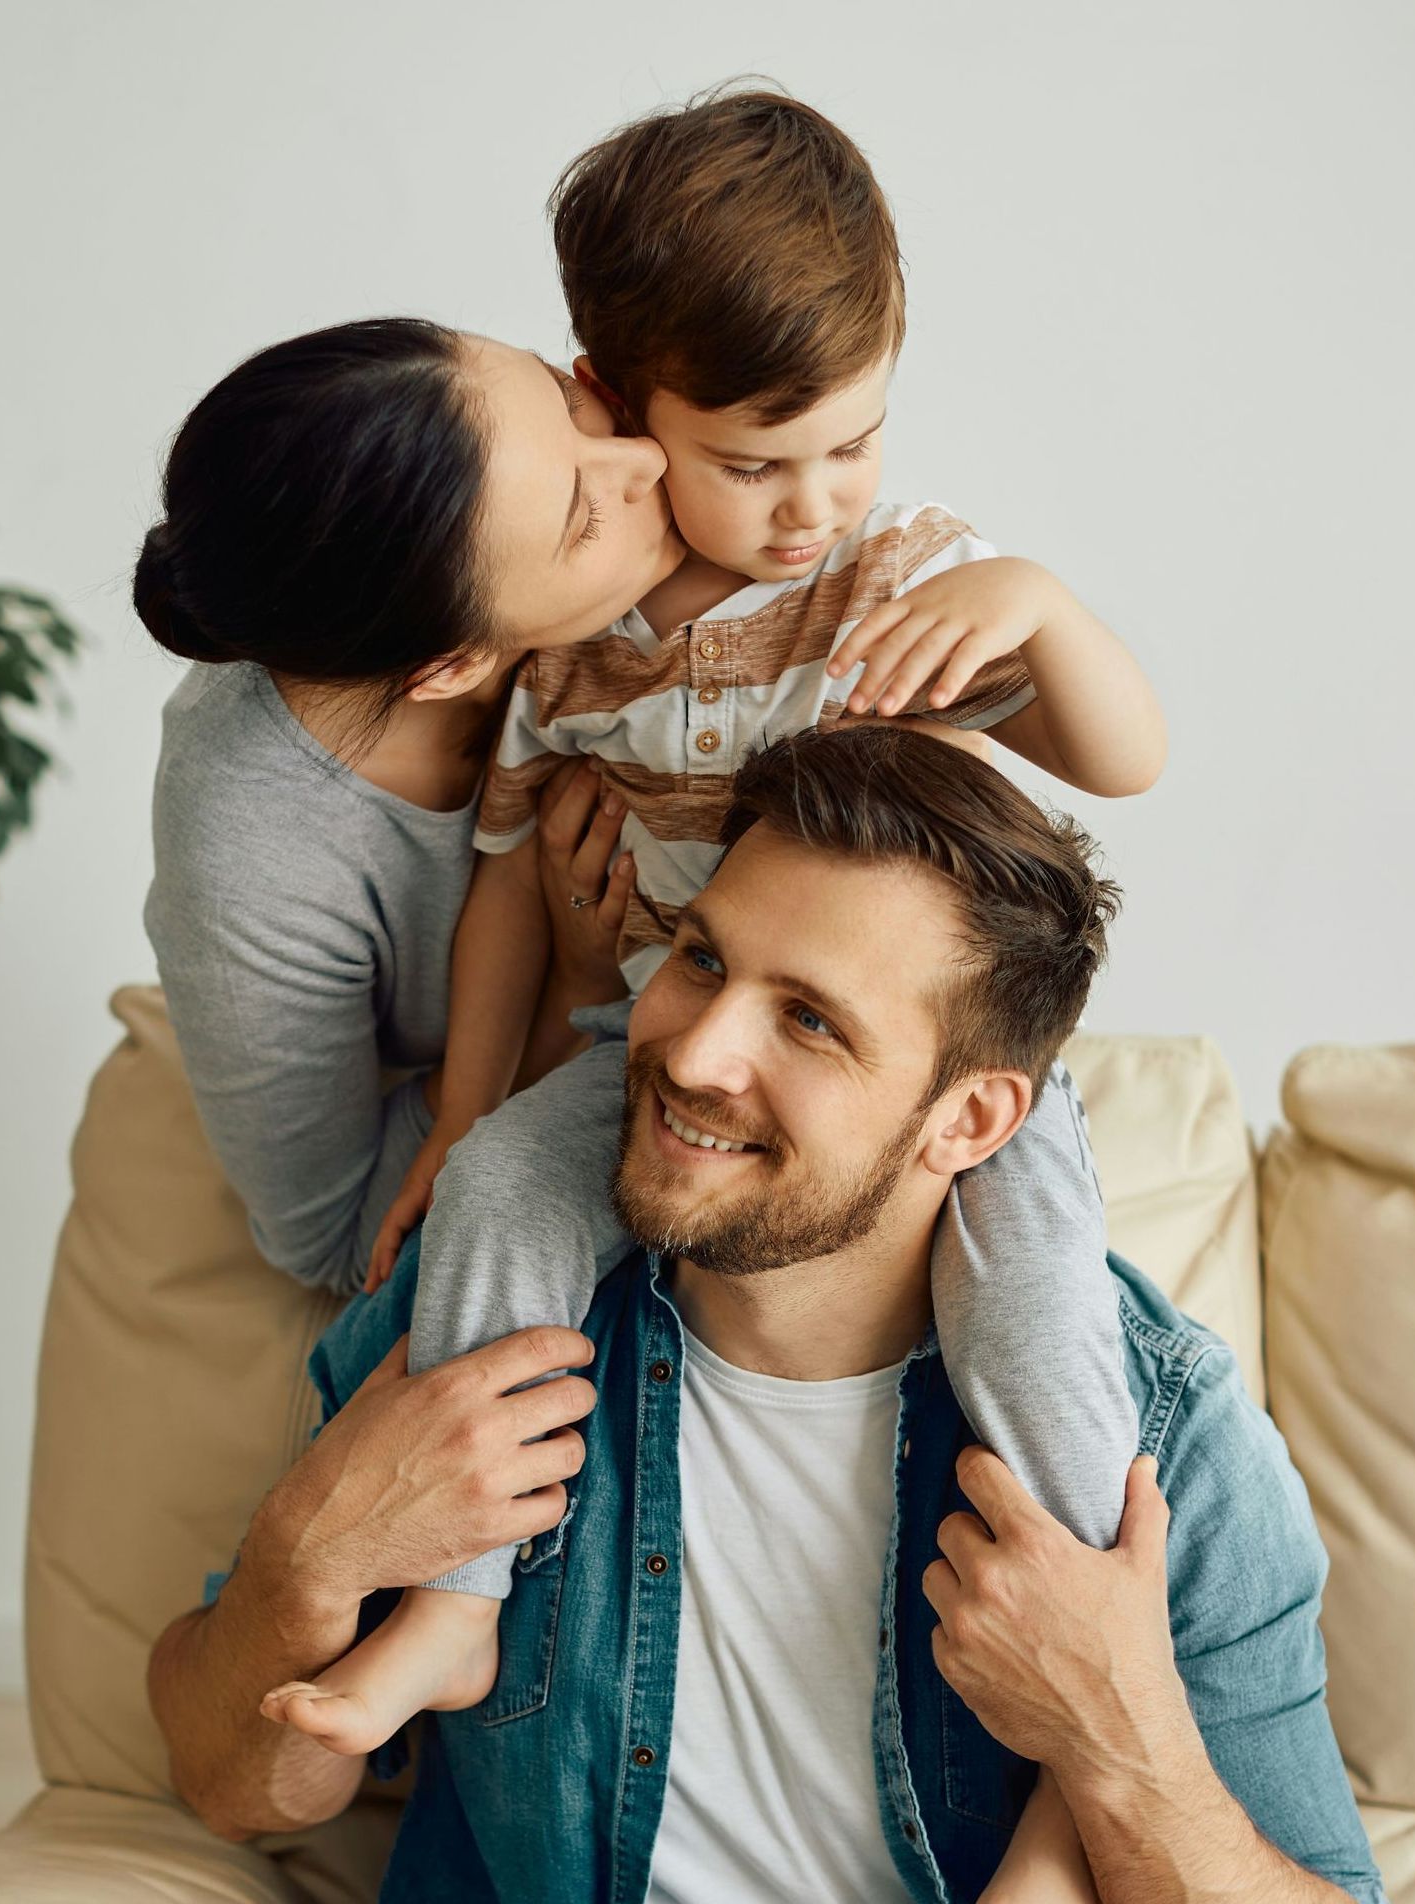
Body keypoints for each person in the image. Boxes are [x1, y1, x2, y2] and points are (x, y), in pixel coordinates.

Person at [331, 92, 1165, 1856]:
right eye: (754, 462)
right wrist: (460, 1110)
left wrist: (1035, 601)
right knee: (489, 1187)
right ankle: (459, 1600)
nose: (807, 509)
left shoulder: (893, 579)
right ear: (623, 407)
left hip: (903, 1082)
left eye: (846, 446)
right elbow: (496, 891)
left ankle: (1099, 1644)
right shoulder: (569, 642)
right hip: (639, 1061)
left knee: (1035, 1301)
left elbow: (1125, 756)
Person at [149, 727, 1386, 1904]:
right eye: (701, 959)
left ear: (970, 1121)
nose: (694, 1055)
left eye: (809, 1020)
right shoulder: (487, 1314)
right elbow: (236, 1788)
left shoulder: (1164, 1450)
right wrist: (308, 1556)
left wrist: (1120, 1742)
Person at [137, 316, 680, 1299]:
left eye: (568, 400)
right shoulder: (254, 855)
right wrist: (571, 981)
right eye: (582, 518)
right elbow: (336, 1240)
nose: (646, 456)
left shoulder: (527, 494)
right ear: (454, 665)